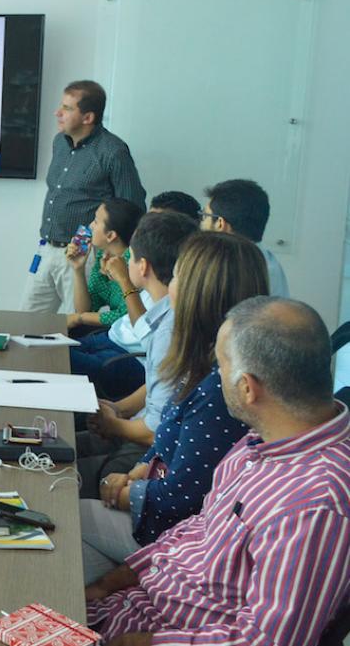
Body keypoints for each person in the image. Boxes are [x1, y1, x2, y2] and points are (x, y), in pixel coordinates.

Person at [86, 297, 350, 646]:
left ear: (247, 388)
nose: (215, 377)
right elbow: (196, 531)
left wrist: (136, 642)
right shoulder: (259, 442)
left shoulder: (315, 505)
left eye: (221, 366)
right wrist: (111, 582)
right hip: (139, 605)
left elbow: (265, 641)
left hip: (159, 631)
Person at [80, 232, 270, 584]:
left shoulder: (219, 390)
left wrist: (124, 492)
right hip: (154, 498)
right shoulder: (203, 359)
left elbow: (182, 496)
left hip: (172, 534)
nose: (171, 286)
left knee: (67, 517)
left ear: (199, 293)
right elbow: (167, 442)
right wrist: (137, 471)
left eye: (178, 276)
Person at [76, 212, 199, 492]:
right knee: (55, 447)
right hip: (138, 427)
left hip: (149, 450)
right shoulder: (167, 316)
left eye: (130, 257)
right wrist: (119, 409)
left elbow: (156, 430)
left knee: (59, 470)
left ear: (142, 266)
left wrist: (113, 425)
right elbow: (163, 381)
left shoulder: (170, 329)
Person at [20, 80, 145, 314]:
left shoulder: (113, 151)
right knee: (27, 321)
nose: (58, 113)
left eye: (67, 108)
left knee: (76, 325)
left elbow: (132, 207)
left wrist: (115, 256)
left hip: (84, 254)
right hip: (47, 248)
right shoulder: (59, 142)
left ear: (88, 118)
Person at [66, 199, 144, 336]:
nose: (90, 226)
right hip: (116, 333)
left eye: (96, 221)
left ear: (110, 235)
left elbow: (125, 316)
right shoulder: (103, 256)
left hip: (128, 338)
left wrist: (81, 318)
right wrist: (78, 269)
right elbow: (85, 308)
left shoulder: (135, 264)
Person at [201, 178, 289, 297]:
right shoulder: (267, 263)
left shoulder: (232, 271)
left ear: (220, 223)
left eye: (204, 216)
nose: (201, 223)